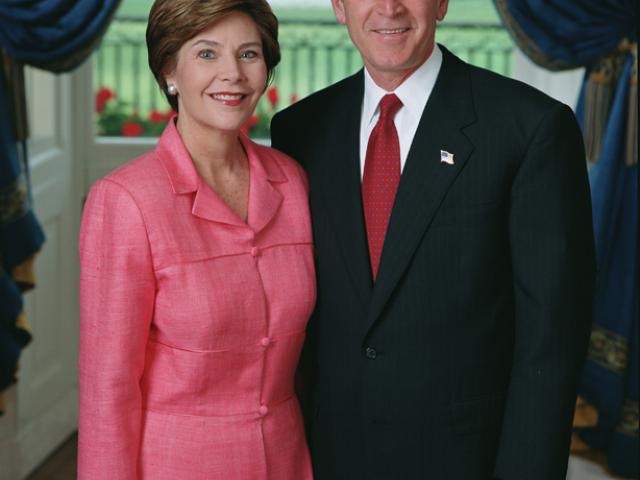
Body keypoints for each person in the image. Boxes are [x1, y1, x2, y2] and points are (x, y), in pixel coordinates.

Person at [270, 1, 596, 479]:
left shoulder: (530, 128)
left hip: (465, 459)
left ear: (442, 2)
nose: (388, 7)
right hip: (331, 455)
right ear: (339, 6)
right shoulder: (300, 130)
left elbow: (551, 339)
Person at [78, 1, 315, 478]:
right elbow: (108, 391)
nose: (232, 74)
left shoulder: (293, 183)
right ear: (170, 69)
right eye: (207, 54)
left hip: (289, 462)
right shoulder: (125, 201)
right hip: (176, 464)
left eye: (249, 54)